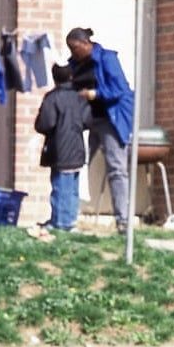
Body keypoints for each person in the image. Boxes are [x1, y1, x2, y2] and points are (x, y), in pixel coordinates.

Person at [66, 27, 134, 235]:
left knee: (116, 168)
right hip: (87, 119)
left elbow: (120, 89)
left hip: (110, 119)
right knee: (75, 162)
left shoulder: (107, 59)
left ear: (86, 44)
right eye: (70, 48)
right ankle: (68, 216)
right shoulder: (74, 64)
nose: (73, 52)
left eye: (75, 48)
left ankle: (123, 221)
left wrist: (94, 94)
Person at [35, 63, 94, 231]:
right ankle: (70, 220)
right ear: (71, 76)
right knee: (73, 188)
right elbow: (87, 121)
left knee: (60, 187)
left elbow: (45, 124)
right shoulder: (80, 98)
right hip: (77, 148)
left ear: (54, 77)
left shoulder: (52, 98)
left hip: (59, 149)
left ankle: (60, 222)